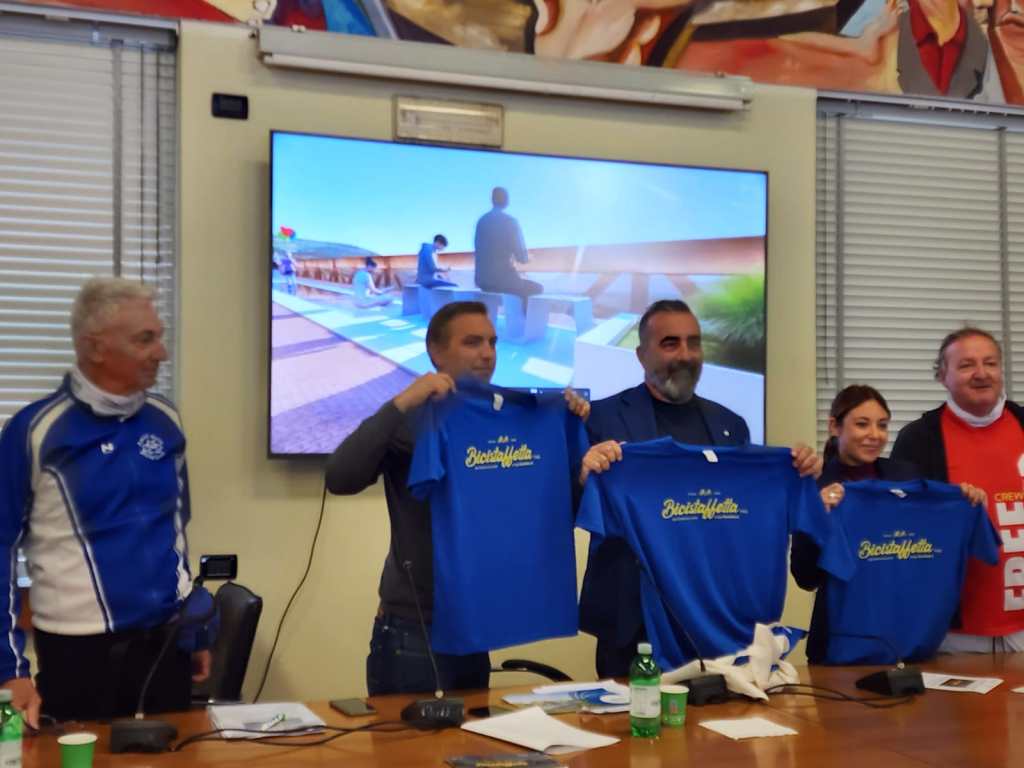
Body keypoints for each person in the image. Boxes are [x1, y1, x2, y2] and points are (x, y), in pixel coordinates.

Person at [325, 301, 589, 695]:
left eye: (492, 342)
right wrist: (401, 403)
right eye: (472, 342)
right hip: (415, 630)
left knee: (471, 736)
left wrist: (572, 446)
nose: (487, 353)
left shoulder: (514, 421)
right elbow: (340, 477)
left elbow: (548, 513)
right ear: (436, 351)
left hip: (474, 626)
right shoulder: (414, 417)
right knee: (406, 739)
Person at [0, 277, 212, 726]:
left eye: (159, 337)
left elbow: (175, 529)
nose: (161, 352)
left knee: (175, 758)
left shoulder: (165, 420)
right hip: (78, 652)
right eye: (145, 339)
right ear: (95, 347)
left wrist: (193, 631)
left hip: (165, 646)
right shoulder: (34, 431)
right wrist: (9, 669)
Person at [577, 299, 822, 678]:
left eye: (694, 343)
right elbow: (566, 509)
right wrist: (583, 474)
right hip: (633, 624)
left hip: (714, 619)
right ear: (641, 355)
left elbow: (744, 515)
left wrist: (798, 471)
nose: (686, 354)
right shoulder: (601, 418)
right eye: (670, 343)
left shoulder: (730, 426)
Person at [791, 384, 985, 662]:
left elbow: (933, 539)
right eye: (862, 424)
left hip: (904, 636)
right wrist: (816, 516)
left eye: (882, 425)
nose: (874, 434)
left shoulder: (906, 477)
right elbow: (805, 577)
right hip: (840, 644)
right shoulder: (814, 486)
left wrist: (964, 500)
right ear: (835, 426)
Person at [891, 327, 1024, 653]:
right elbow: (898, 532)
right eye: (966, 365)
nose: (981, 373)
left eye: (990, 363)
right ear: (942, 375)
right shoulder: (918, 439)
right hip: (952, 633)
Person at [474, 187, 543, 301]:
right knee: (537, 288)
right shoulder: (510, 221)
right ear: (506, 201)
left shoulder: (481, 221)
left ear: (492, 200)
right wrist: (528, 258)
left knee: (518, 284)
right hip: (503, 281)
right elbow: (521, 257)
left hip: (482, 281)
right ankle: (521, 313)